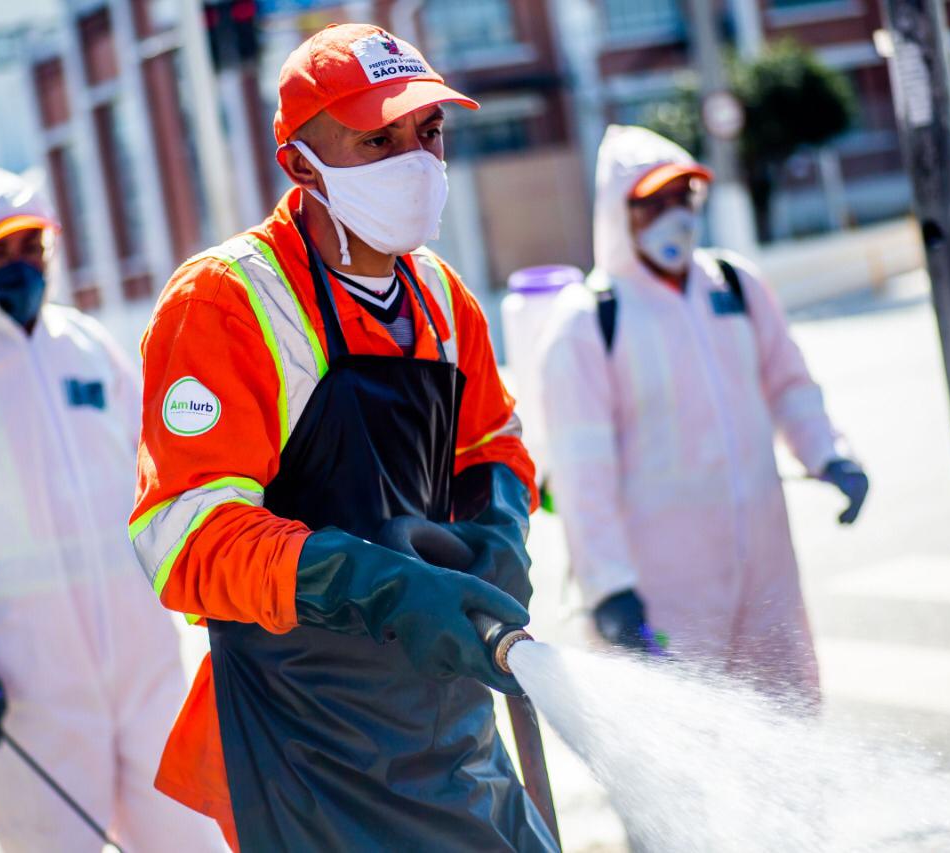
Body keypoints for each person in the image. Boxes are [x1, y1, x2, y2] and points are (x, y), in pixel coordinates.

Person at [130, 24, 555, 852]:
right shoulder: (225, 302)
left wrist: (501, 528)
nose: (417, 160)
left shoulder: (439, 295)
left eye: (428, 132)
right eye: (379, 139)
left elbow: (492, 440)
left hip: (447, 723)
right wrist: (380, 585)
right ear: (299, 164)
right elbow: (187, 540)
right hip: (309, 751)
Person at [0, 165, 225, 851]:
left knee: (194, 839)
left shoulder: (90, 349)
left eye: (31, 246)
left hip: (146, 668)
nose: (19, 264)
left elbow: (158, 478)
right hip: (29, 689)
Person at [539, 126, 868, 702]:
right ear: (621, 214)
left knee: (788, 724)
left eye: (683, 198)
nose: (676, 217)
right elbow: (580, 472)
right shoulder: (589, 323)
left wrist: (829, 453)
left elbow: (789, 383)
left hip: (766, 573)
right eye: (654, 204)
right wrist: (609, 589)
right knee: (691, 758)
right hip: (666, 590)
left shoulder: (736, 285)